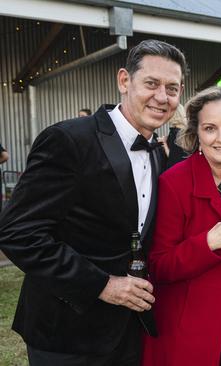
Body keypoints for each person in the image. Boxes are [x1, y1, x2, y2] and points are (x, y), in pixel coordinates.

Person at [0, 39, 187, 365]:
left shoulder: (156, 153)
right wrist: (101, 284)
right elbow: (18, 233)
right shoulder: (69, 139)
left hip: (127, 331)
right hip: (66, 334)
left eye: (172, 88)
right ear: (124, 81)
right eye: (151, 84)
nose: (162, 97)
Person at [141, 86, 221, 366]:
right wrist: (208, 243)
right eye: (210, 128)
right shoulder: (173, 183)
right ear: (196, 134)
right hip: (195, 325)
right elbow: (159, 265)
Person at [159, 103, 188, 169]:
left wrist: (164, 143)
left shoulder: (175, 133)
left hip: (175, 172)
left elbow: (173, 160)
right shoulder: (185, 131)